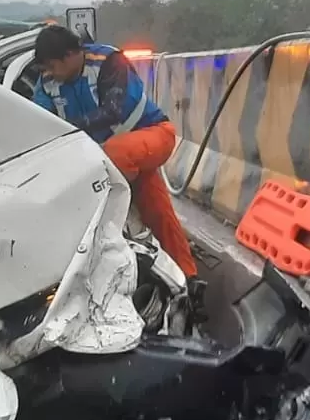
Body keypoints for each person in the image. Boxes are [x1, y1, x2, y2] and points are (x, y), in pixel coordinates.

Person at [30, 26, 197, 278]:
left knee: (109, 160)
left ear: (69, 55)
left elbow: (112, 110)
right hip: (116, 159)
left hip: (153, 135)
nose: (49, 74)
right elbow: (38, 121)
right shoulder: (48, 82)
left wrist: (69, 131)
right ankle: (190, 278)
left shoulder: (109, 62)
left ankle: (118, 220)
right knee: (160, 213)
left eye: (52, 66)